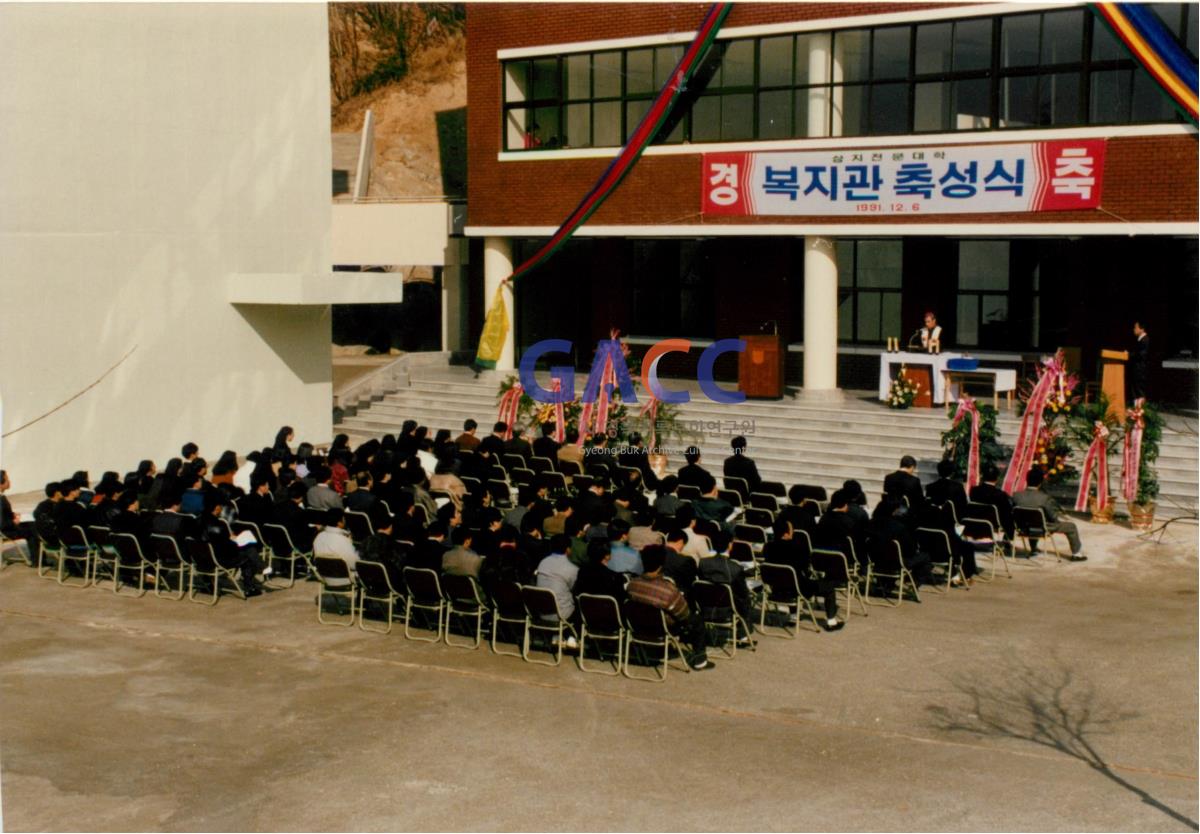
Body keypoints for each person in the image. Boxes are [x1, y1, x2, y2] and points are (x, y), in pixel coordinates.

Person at [626, 545, 713, 671]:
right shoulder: (668, 590)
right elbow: (684, 615)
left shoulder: (632, 584)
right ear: (661, 565)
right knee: (697, 620)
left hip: (637, 626)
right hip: (662, 628)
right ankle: (700, 659)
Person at [764, 519, 843, 631]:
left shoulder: (767, 547)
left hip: (776, 587)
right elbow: (805, 567)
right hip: (797, 588)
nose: (793, 532)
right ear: (786, 534)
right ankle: (831, 621)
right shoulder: (796, 548)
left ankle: (793, 616)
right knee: (829, 587)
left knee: (787, 578)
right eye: (792, 530)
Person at [1013, 468, 1087, 561]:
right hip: (1042, 527)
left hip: (1023, 527)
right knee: (1071, 527)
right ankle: (1077, 554)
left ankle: (1034, 549)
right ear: (1040, 482)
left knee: (1032, 518)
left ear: (1027, 480)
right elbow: (1053, 517)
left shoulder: (1016, 495)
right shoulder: (1044, 498)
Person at [199, 494, 266, 596]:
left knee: (248, 550)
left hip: (201, 558)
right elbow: (228, 547)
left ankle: (209, 584)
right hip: (219, 559)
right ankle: (249, 586)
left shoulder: (195, 521)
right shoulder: (219, 525)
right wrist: (238, 542)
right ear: (217, 508)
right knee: (249, 552)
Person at [535, 538, 580, 624]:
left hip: (541, 611)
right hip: (562, 614)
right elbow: (574, 589)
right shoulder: (572, 569)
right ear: (568, 549)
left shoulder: (543, 562)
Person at [969, 462, 1015, 541]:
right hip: (993, 523)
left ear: (983, 477)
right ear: (996, 478)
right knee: (1010, 517)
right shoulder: (1000, 494)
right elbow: (1007, 512)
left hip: (974, 522)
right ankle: (1007, 542)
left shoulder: (974, 491)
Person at [312, 508, 360, 582]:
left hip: (325, 578)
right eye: (344, 519)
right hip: (345, 579)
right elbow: (354, 564)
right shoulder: (343, 540)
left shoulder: (318, 537)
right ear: (339, 523)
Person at [1130, 320, 1150, 399]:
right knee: (1135, 390)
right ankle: (1137, 409)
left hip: (1140, 370)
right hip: (1137, 369)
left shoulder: (1145, 340)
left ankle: (1140, 409)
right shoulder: (1140, 340)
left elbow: (1141, 354)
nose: (1134, 329)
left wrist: (1129, 354)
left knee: (1139, 390)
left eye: (1135, 327)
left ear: (1141, 329)